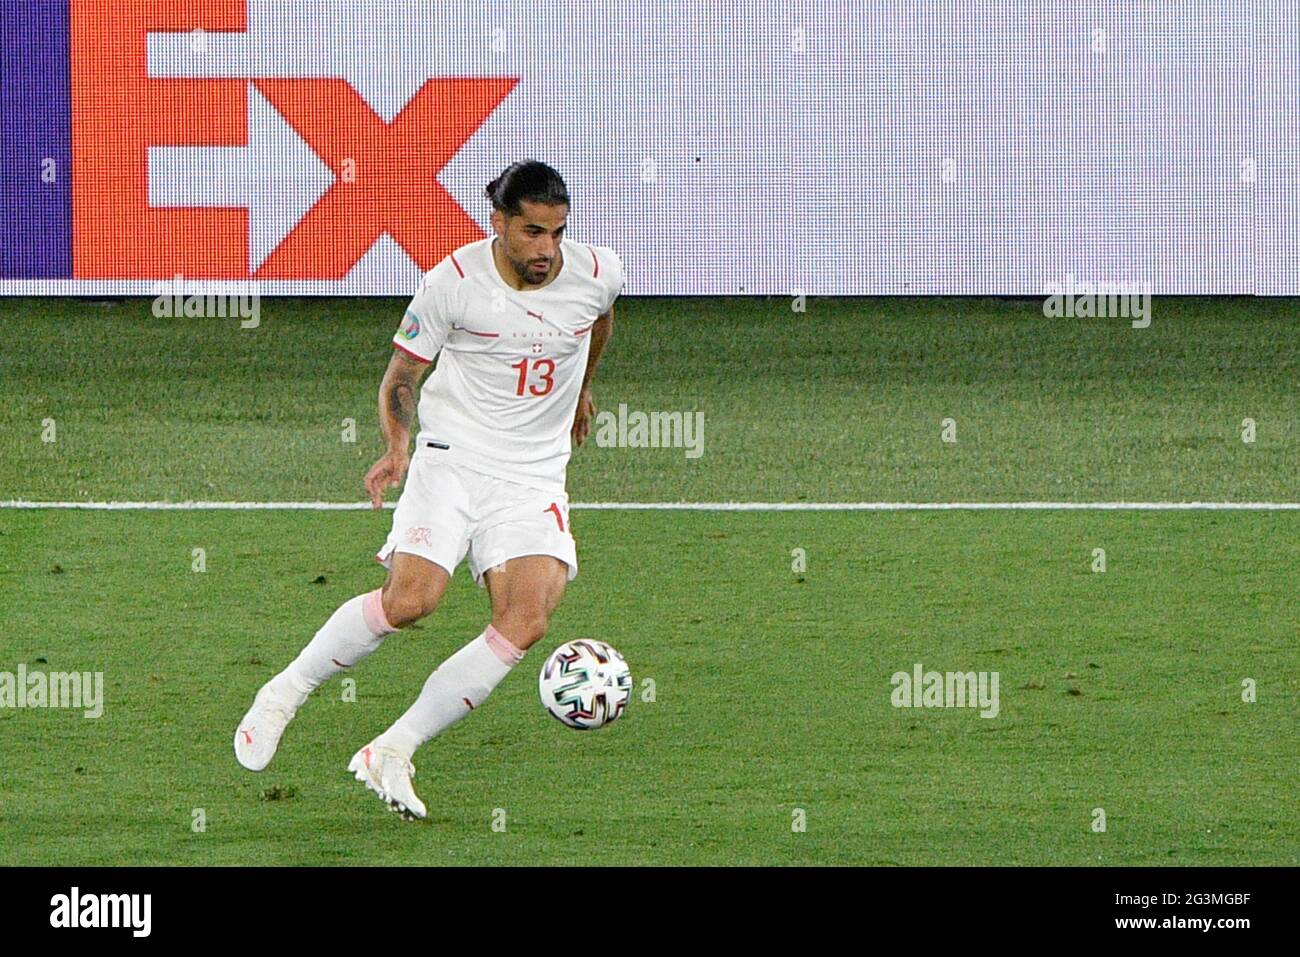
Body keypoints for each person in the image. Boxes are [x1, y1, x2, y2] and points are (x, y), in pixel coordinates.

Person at [234, 159, 623, 819]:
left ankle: (393, 748)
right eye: (531, 232)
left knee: (526, 617)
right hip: (453, 458)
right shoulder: (451, 283)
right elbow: (402, 374)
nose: (545, 250)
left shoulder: (596, 271)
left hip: (532, 474)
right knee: (413, 601)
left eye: (556, 233)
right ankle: (286, 689)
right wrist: (396, 444)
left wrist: (583, 387)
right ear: (497, 223)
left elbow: (600, 318)